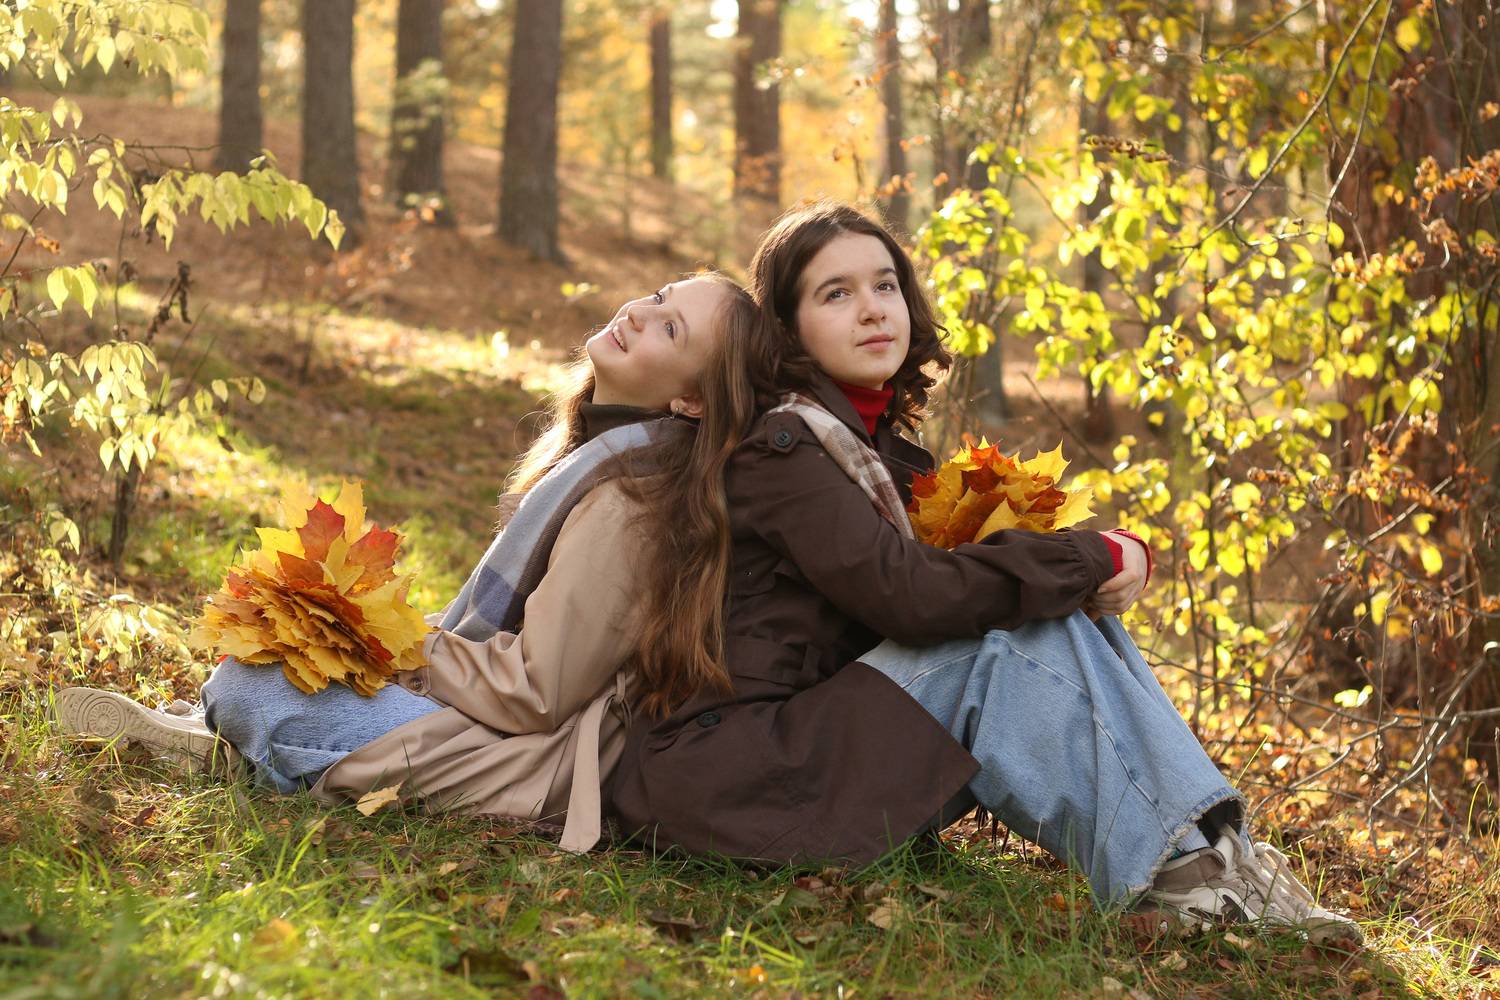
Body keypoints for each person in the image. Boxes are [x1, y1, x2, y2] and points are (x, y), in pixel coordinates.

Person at [606, 203, 1360, 943]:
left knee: (1048, 608)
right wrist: (1090, 556)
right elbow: (910, 596)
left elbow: (949, 589)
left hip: (790, 752)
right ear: (787, 328)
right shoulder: (784, 451)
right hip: (730, 776)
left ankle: (1220, 856)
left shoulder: (870, 451)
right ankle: (1191, 871)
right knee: (1019, 625)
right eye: (835, 294)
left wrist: (1082, 568)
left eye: (884, 285)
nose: (871, 309)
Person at [57, 272, 763, 854]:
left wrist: (397, 645)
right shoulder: (598, 458)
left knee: (253, 686)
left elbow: (537, 689)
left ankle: (240, 745)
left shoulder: (632, 507)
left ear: (692, 400)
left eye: (671, 329)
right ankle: (237, 745)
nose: (640, 313)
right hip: (481, 716)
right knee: (272, 654)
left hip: (513, 753)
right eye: (660, 296)